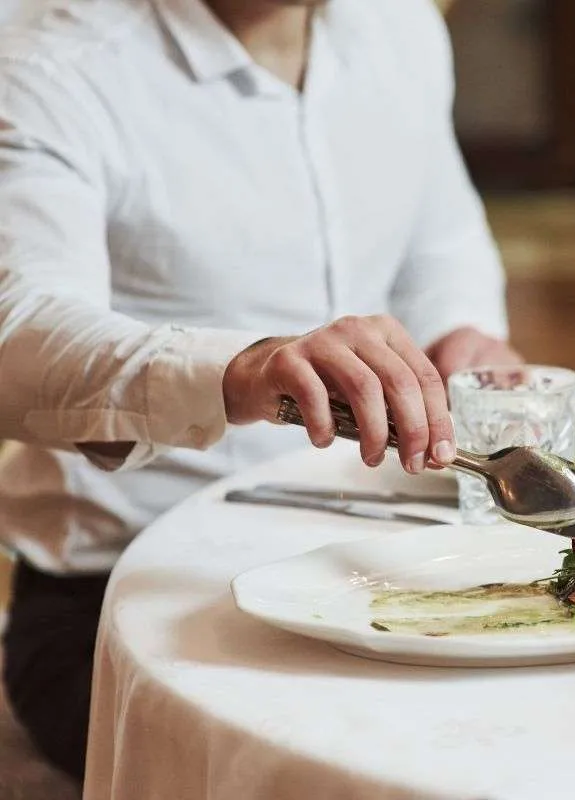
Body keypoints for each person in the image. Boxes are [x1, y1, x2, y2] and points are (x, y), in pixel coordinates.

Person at [0, 0, 520, 782]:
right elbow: (20, 339)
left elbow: (442, 243)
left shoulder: (400, 23)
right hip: (129, 606)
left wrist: (464, 334)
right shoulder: (49, 62)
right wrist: (241, 370)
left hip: (374, 555)